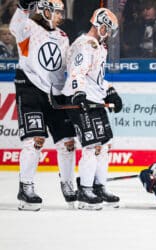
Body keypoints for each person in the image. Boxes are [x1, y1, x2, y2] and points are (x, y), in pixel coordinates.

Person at [10, 0, 77, 211]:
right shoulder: (29, 28)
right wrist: (22, 7)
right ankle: (26, 187)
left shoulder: (63, 36)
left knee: (68, 142)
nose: (61, 16)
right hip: (30, 89)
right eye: (58, 12)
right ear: (46, 11)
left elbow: (66, 66)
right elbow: (15, 26)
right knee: (35, 140)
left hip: (55, 93)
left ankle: (69, 185)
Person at [61, 7, 123, 210]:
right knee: (91, 146)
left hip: (94, 99)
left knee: (104, 144)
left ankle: (98, 186)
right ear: (101, 25)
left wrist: (110, 90)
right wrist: (79, 94)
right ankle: (85, 190)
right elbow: (77, 72)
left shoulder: (98, 46)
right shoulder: (84, 44)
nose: (110, 33)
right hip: (81, 101)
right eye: (109, 28)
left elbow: (95, 78)